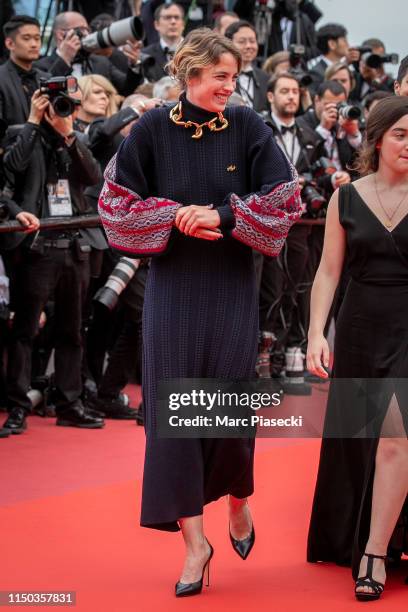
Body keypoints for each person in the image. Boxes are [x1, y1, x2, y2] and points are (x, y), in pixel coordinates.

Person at [98, 27, 301, 595]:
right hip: (173, 294)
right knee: (173, 418)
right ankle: (195, 546)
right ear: (190, 75)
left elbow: (286, 197)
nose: (230, 87)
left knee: (229, 409)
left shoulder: (248, 126)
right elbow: (115, 205)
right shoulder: (152, 130)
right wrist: (174, 217)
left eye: (234, 78)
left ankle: (238, 501)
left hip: (232, 290)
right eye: (221, 77)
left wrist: (224, 216)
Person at [307, 96, 408, 601]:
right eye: (401, 134)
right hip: (360, 324)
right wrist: (315, 333)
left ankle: (374, 551)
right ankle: (353, 532)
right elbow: (328, 272)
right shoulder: (346, 199)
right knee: (359, 439)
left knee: (396, 437)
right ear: (377, 139)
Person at [225, 20, 269, 113]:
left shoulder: (265, 78)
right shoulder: (221, 76)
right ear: (228, 44)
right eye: (242, 41)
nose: (249, 46)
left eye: (252, 41)